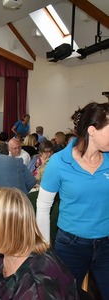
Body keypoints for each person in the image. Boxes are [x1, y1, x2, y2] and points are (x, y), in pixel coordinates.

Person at [36, 102, 109, 299]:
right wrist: (44, 251)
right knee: (64, 295)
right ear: (92, 130)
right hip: (71, 246)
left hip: (106, 245)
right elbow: (43, 208)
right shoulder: (59, 162)